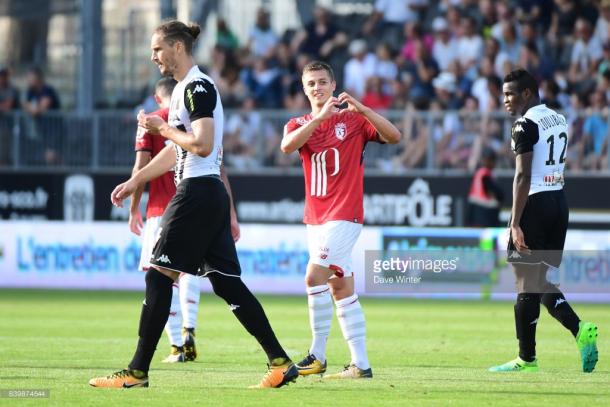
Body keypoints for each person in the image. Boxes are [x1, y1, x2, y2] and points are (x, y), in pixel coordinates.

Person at [89, 20, 297, 389]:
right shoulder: (188, 88)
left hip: (197, 192)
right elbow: (175, 150)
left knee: (157, 275)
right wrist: (135, 180)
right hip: (207, 191)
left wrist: (162, 128)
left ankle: (137, 372)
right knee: (228, 285)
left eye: (157, 49)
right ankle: (280, 361)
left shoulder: (197, 87)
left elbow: (200, 144)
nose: (153, 57)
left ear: (177, 48)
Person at [281, 61, 401, 379]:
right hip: (315, 219)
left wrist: (363, 109)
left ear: (334, 85)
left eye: (322, 82)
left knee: (312, 278)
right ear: (304, 89)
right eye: (311, 84)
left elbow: (394, 136)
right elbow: (287, 146)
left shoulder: (354, 122)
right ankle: (360, 364)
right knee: (340, 288)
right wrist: (320, 118)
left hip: (345, 215)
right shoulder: (297, 123)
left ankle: (317, 355)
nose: (317, 88)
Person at [489, 68, 598, 373]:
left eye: (510, 94)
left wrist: (514, 222)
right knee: (540, 282)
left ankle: (526, 358)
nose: (506, 100)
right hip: (558, 201)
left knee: (525, 282)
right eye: (503, 95)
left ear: (527, 93)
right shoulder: (558, 118)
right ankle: (580, 329)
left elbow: (523, 175)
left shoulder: (524, 125)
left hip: (534, 201)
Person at [129, 77, 236, 364]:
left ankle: (175, 344)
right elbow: (218, 165)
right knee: (192, 274)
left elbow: (142, 164)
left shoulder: (153, 122)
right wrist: (232, 214)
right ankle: (190, 330)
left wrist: (132, 207)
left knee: (160, 278)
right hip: (197, 205)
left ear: (156, 96)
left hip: (162, 208)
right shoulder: (195, 118)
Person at [466, 148, 503, 227]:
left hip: (475, 214)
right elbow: (498, 193)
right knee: (486, 238)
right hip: (484, 215)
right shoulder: (485, 175)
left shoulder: (478, 173)